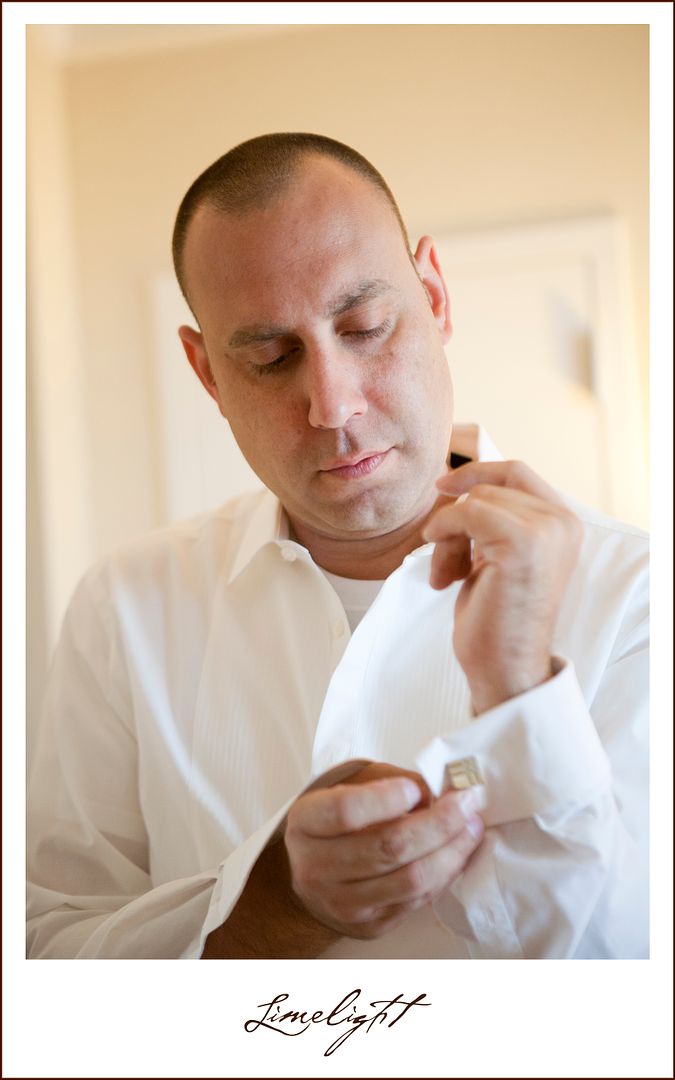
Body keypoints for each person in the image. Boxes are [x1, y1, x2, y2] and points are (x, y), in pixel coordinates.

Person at [27, 133, 649, 959]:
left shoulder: (638, 592)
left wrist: (519, 692)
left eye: (364, 326)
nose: (332, 404)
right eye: (269, 356)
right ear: (207, 372)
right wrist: (269, 904)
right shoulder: (125, 608)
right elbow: (47, 953)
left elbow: (641, 980)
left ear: (433, 296)